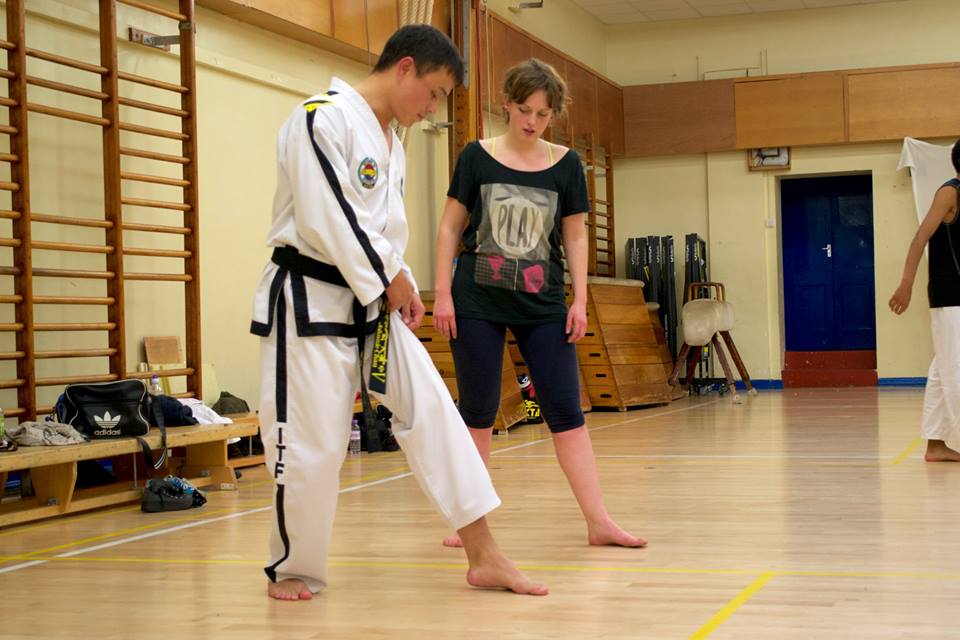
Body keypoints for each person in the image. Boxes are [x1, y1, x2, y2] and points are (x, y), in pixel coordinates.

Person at [250, 25, 548, 601]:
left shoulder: (393, 141)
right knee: (315, 446)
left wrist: (400, 278)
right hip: (308, 305)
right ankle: (292, 568)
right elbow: (325, 216)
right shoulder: (321, 118)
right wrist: (391, 277)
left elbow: (381, 231)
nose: (432, 107)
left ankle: (484, 553)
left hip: (371, 304)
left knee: (436, 412)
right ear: (405, 68)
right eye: (434, 93)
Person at [432, 58, 646, 548]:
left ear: (554, 115)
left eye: (543, 114)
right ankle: (470, 525)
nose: (532, 122)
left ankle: (598, 521)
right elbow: (449, 226)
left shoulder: (567, 164)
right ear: (506, 104)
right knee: (479, 411)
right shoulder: (476, 157)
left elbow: (574, 234)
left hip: (544, 301)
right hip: (477, 300)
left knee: (566, 411)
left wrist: (580, 298)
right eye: (524, 110)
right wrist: (443, 293)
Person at [890, 138, 960, 463]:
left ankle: (935, 444)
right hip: (951, 296)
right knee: (955, 368)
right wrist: (906, 283)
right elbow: (921, 238)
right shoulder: (949, 193)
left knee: (941, 368)